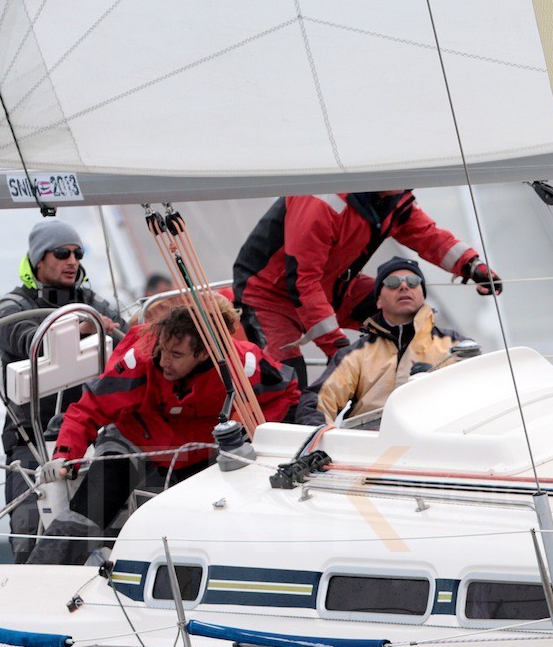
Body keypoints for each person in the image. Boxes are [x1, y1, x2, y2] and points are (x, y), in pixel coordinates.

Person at [39, 306, 297, 555]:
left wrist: (246, 433)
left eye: (176, 355)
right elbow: (89, 407)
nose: (163, 362)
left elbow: (289, 392)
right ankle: (45, 573)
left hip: (200, 448)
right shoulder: (138, 361)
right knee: (86, 512)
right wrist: (64, 454)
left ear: (203, 354)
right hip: (135, 437)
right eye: (162, 351)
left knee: (204, 524)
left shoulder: (243, 365)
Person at [231, 190, 501, 388]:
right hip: (269, 295)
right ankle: (298, 435)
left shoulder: (390, 198)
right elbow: (303, 281)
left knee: (407, 316)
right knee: (286, 380)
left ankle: (414, 388)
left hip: (333, 283)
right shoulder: (322, 202)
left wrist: (471, 265)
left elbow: (425, 235)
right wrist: (336, 347)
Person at [0, 220, 122, 563]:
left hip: (89, 439)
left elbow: (125, 341)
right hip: (30, 442)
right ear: (39, 260)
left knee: (111, 529)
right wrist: (81, 327)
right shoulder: (13, 305)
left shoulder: (93, 302)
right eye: (62, 253)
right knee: (28, 535)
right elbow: (23, 339)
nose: (73, 261)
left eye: (77, 253)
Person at [311, 256, 470, 425]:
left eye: (413, 281)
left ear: (423, 294)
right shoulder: (356, 354)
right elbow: (318, 402)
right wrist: (319, 437)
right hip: (370, 445)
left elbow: (480, 393)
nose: (404, 286)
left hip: (436, 443)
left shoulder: (456, 346)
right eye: (392, 282)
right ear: (378, 300)